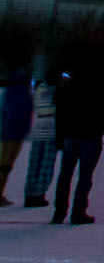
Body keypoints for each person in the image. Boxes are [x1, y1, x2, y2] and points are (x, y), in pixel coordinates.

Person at [50, 60, 104, 226]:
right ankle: (78, 212)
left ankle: (59, 212)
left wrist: (59, 135)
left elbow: (60, 109)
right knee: (85, 176)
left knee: (65, 174)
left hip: (70, 134)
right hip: (91, 135)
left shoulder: (72, 83)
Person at [19, 71, 58, 210]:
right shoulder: (56, 90)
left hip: (39, 128)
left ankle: (29, 193)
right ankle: (39, 193)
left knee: (34, 163)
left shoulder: (39, 89)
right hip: (51, 129)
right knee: (46, 164)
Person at [0, 67, 32, 204]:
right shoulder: (25, 94)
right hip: (16, 132)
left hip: (4, 131)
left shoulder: (7, 93)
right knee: (7, 164)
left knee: (3, 163)